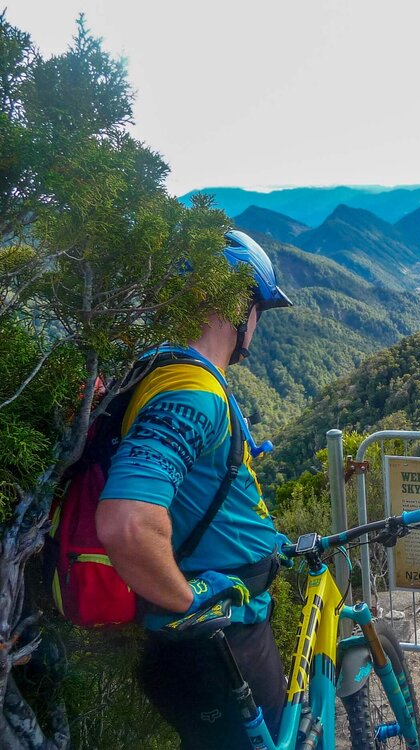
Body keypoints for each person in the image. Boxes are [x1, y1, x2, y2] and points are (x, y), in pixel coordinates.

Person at [95, 230, 292, 749]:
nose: (258, 325)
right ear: (240, 307)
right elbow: (128, 523)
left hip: (206, 638)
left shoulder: (156, 370)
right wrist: (188, 602)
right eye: (260, 310)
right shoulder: (191, 393)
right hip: (219, 643)